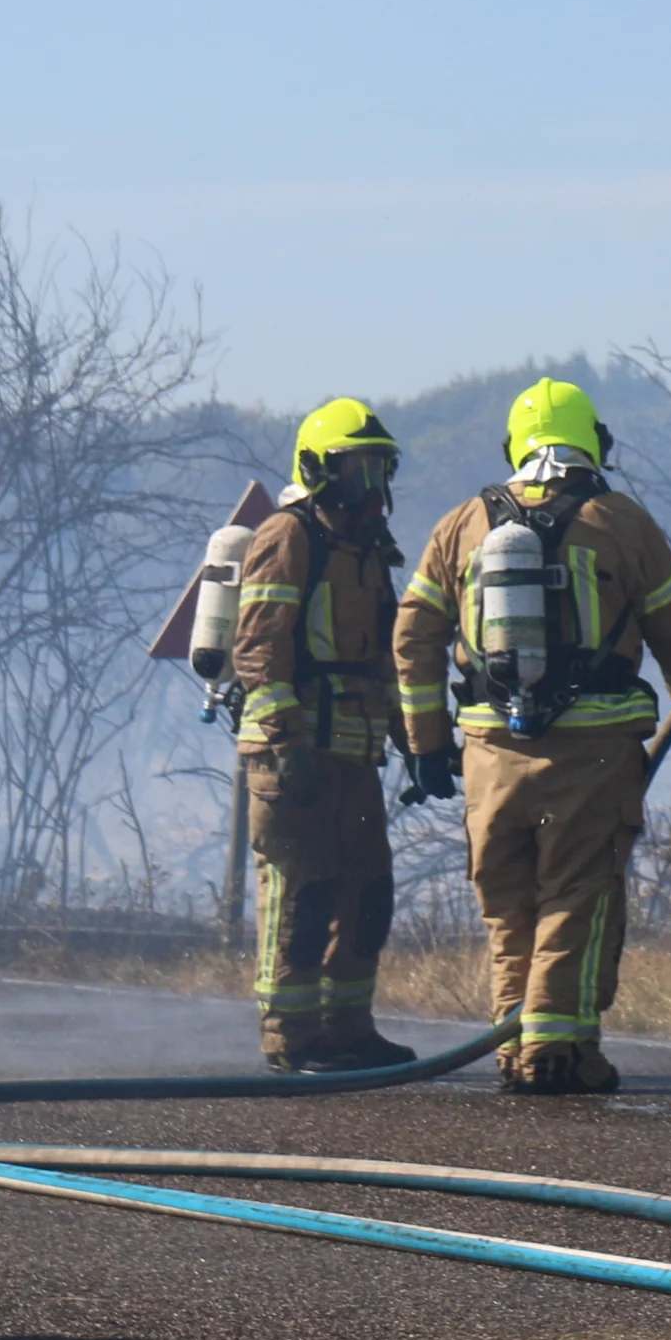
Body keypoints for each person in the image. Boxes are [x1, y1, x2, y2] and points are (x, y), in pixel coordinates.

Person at [392, 377, 671, 1095]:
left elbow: (413, 634)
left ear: (515, 445)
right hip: (592, 749)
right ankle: (554, 1051)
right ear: (594, 443)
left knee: (509, 901)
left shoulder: (461, 525)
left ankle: (516, 1041)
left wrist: (425, 743)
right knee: (577, 893)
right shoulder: (621, 521)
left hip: (489, 754)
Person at [229, 397, 417, 1074]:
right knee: (301, 894)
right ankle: (292, 1040)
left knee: (368, 892)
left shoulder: (367, 550)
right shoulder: (289, 536)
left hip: (356, 756)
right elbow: (258, 652)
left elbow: (385, 658)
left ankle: (348, 1029)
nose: (371, 486)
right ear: (318, 468)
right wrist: (287, 744)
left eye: (378, 469)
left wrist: (415, 742)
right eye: (356, 468)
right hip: (296, 757)